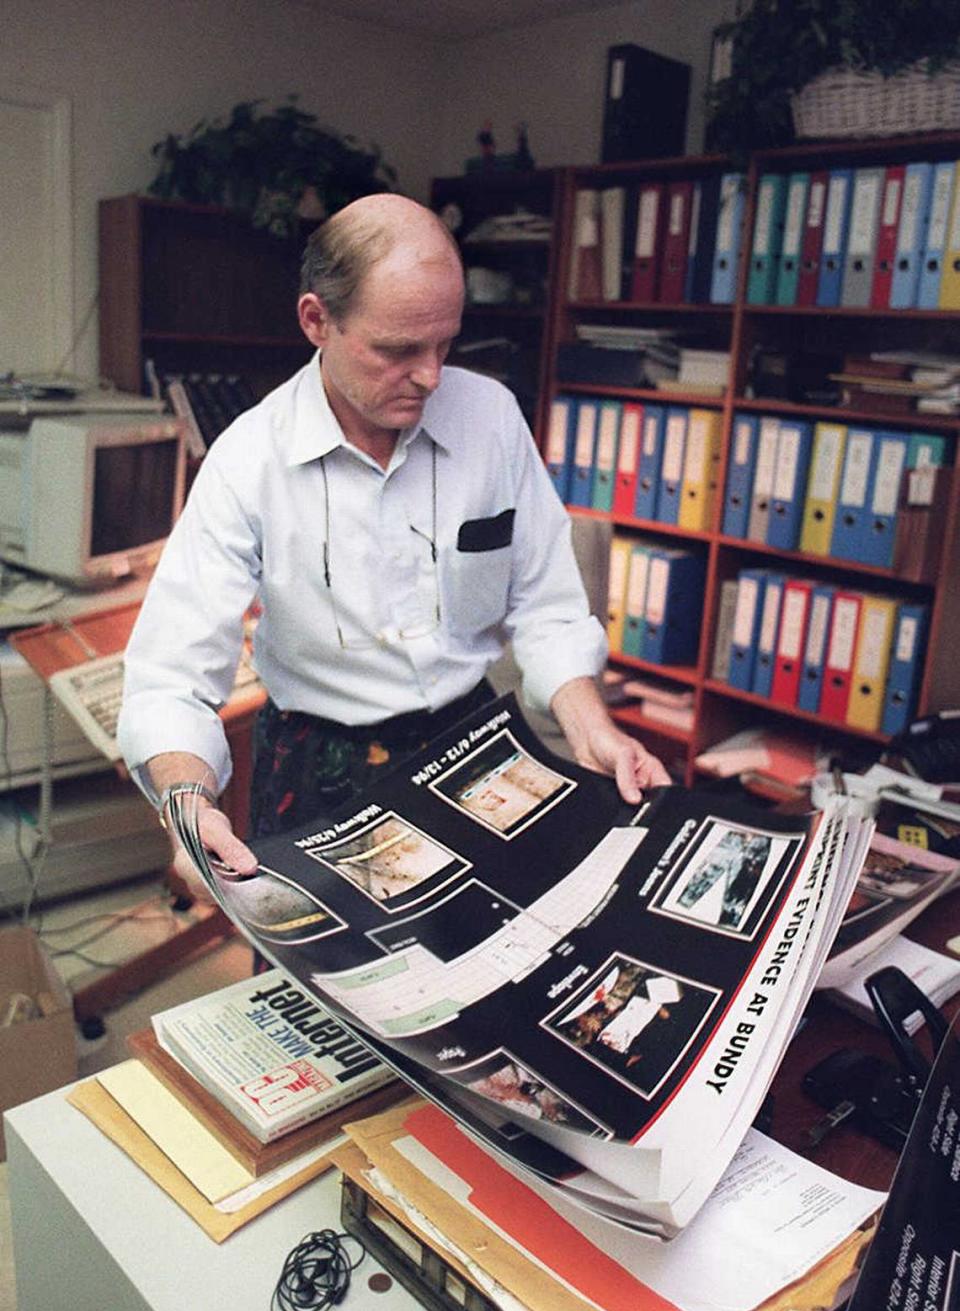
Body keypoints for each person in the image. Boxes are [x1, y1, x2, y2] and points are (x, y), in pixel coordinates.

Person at [117, 193, 669, 896]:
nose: (432, 376)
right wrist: (189, 809)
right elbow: (170, 675)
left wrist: (593, 730)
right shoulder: (249, 458)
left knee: (497, 970)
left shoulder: (490, 418)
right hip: (320, 761)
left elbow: (547, 604)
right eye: (399, 350)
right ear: (317, 320)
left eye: (445, 344)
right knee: (323, 989)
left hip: (473, 743)